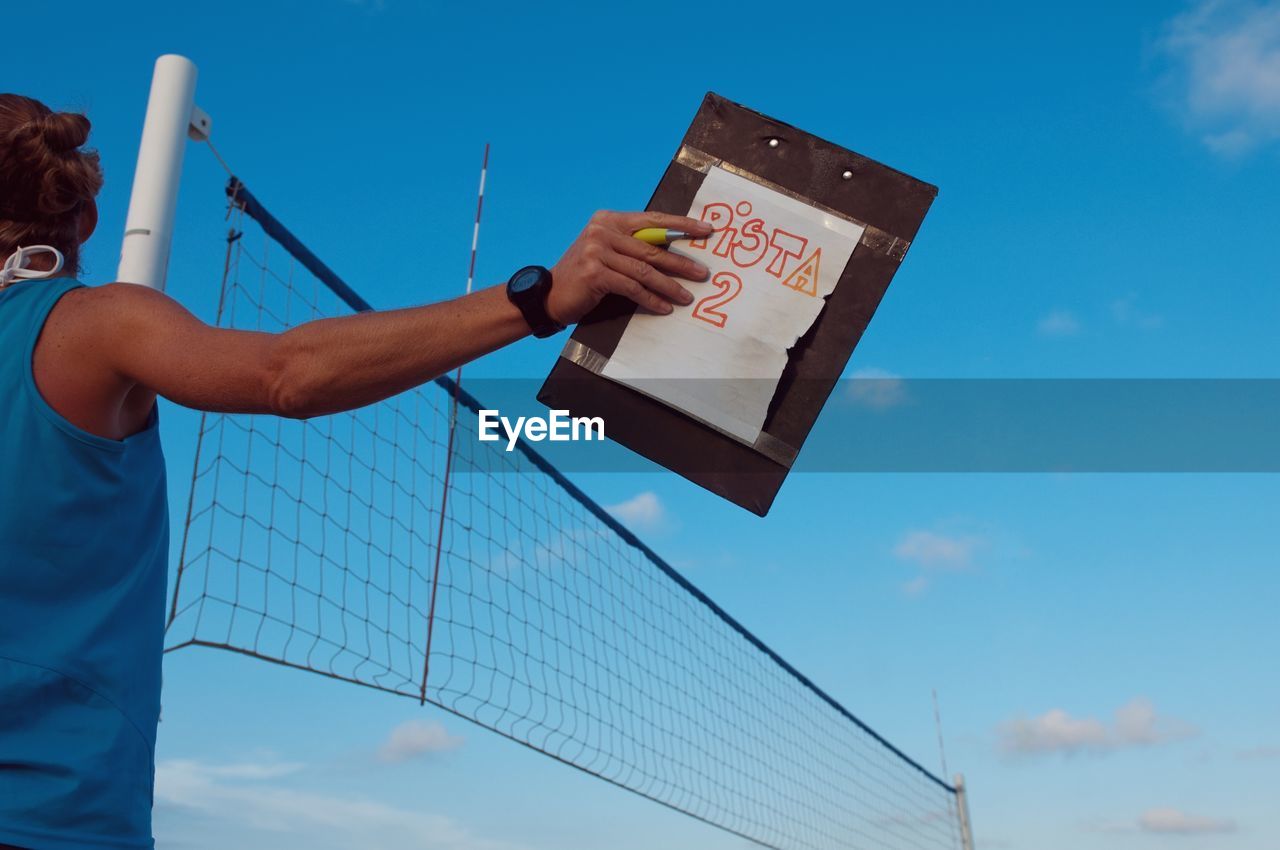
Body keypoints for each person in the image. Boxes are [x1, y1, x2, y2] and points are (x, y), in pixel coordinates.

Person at [0, 92, 712, 850]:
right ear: (85, 220)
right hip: (55, 819)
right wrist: (538, 301)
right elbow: (288, 373)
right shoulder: (96, 325)